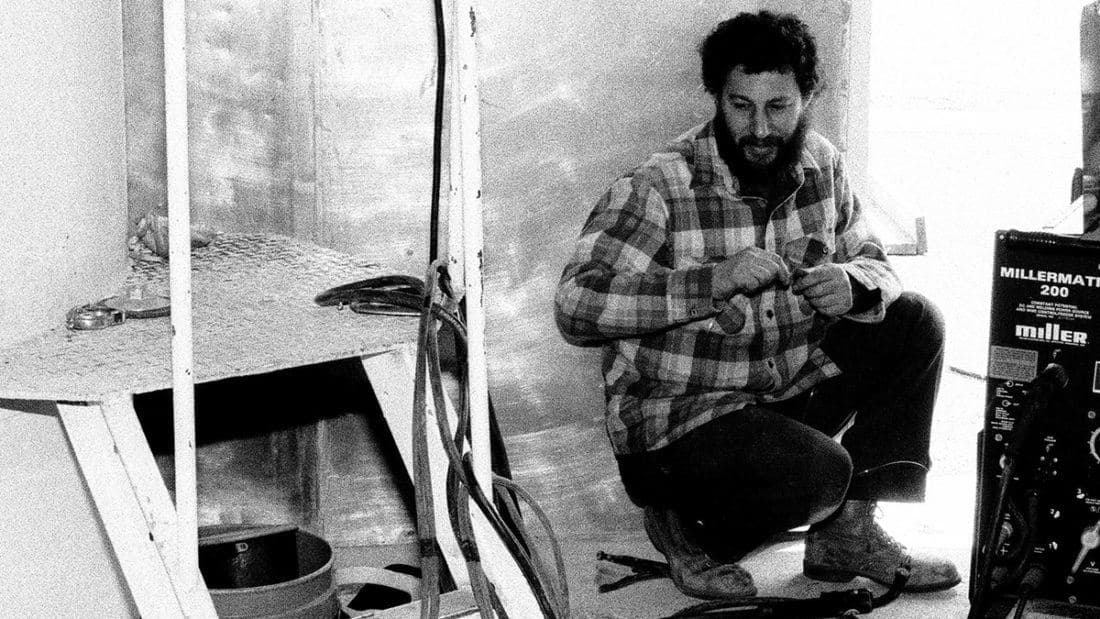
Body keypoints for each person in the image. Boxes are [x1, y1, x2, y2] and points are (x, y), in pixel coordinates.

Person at [554, 11, 960, 599]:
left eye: (779, 107)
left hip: (777, 394)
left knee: (916, 320)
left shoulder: (823, 164)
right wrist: (710, 282)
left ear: (807, 99)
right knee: (822, 474)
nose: (760, 129)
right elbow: (574, 306)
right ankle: (684, 529)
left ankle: (848, 532)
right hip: (681, 420)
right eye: (741, 106)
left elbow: (873, 260)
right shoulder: (658, 185)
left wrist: (854, 282)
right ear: (717, 97)